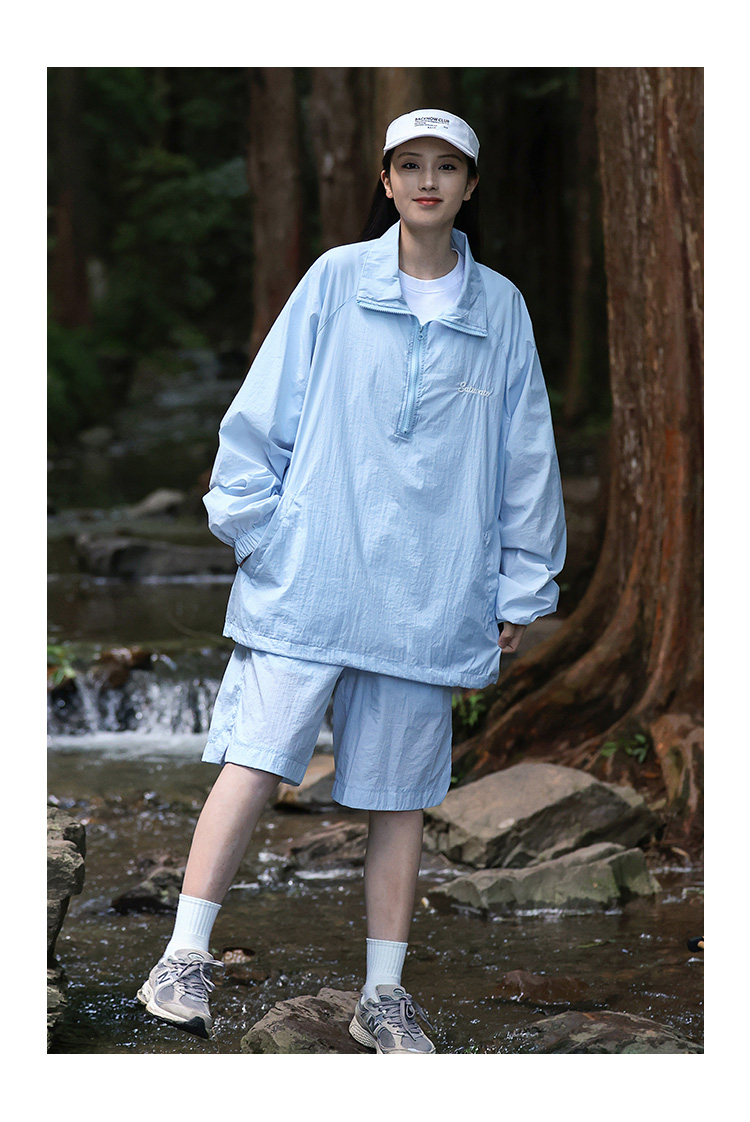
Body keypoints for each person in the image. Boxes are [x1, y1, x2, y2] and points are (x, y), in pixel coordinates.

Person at [136, 108, 566, 1055]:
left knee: (400, 797)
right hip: (313, 575)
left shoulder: (501, 309)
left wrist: (520, 586)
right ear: (385, 180)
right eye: (409, 165)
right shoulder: (336, 279)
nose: (427, 181)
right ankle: (181, 957)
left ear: (470, 186)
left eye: (445, 167)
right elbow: (262, 411)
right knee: (254, 758)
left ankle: (383, 996)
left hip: (431, 590)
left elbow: (526, 455)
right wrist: (258, 530)